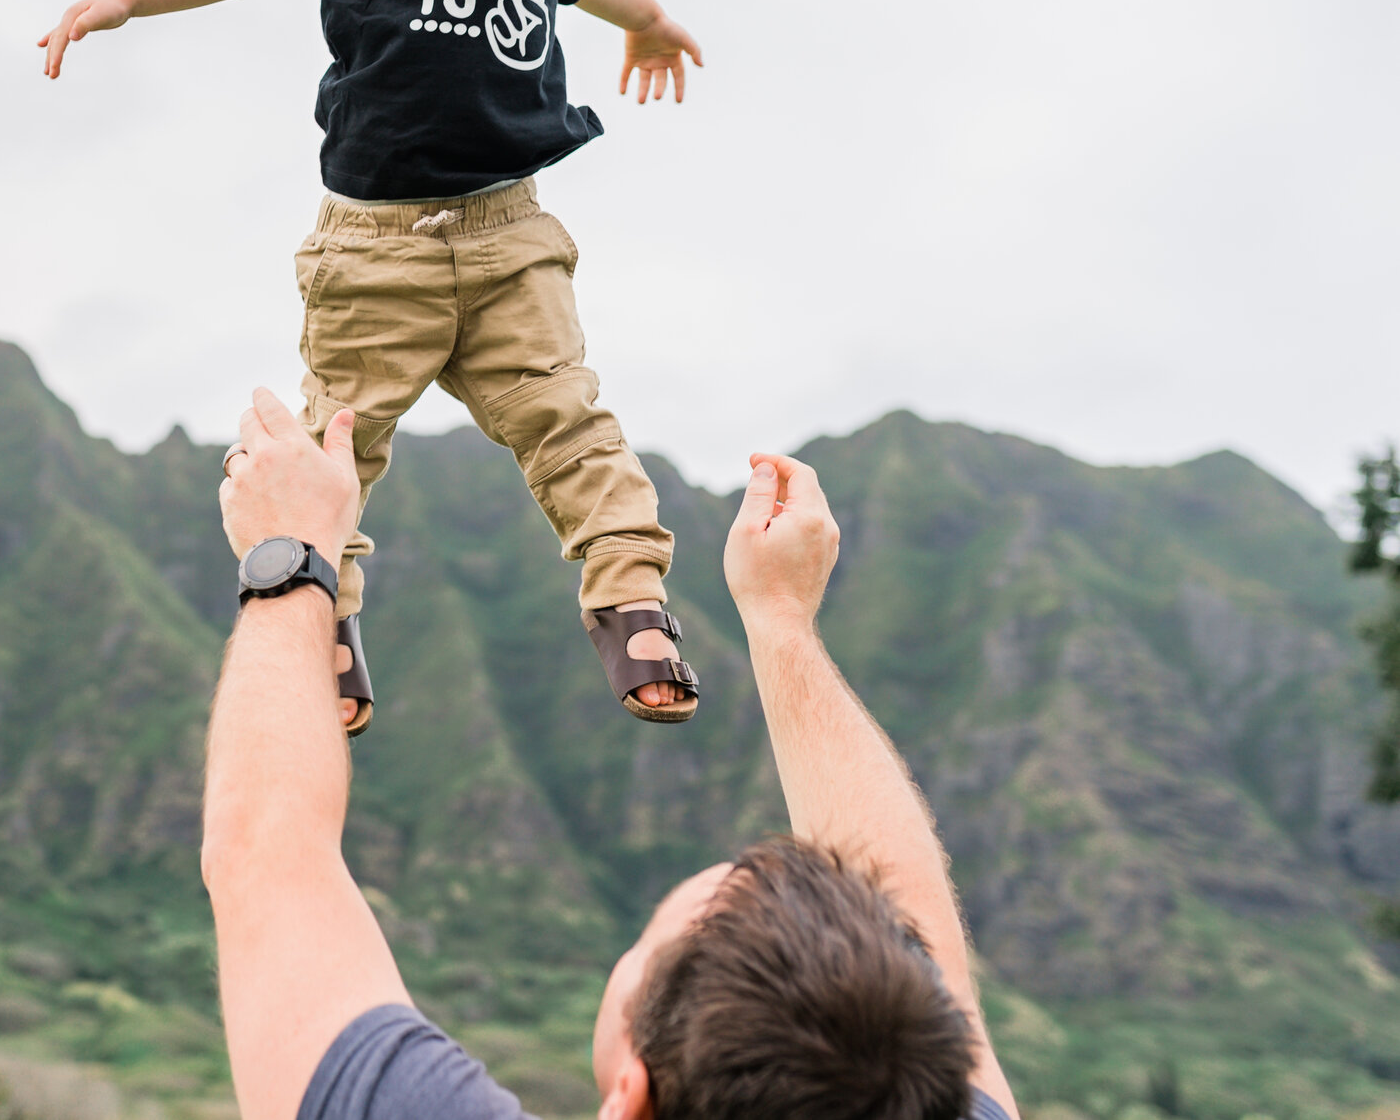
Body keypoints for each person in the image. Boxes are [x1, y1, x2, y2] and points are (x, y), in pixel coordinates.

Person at [38, 0, 707, 735]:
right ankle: (323, 621)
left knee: (570, 420)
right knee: (338, 446)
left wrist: (646, 20)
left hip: (510, 232)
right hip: (373, 245)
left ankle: (629, 599)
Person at [205, 388, 1022, 1120]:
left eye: (647, 947)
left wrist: (288, 550)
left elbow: (266, 855)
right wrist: (779, 618)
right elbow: (921, 929)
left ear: (632, 1095)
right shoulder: (914, 1093)